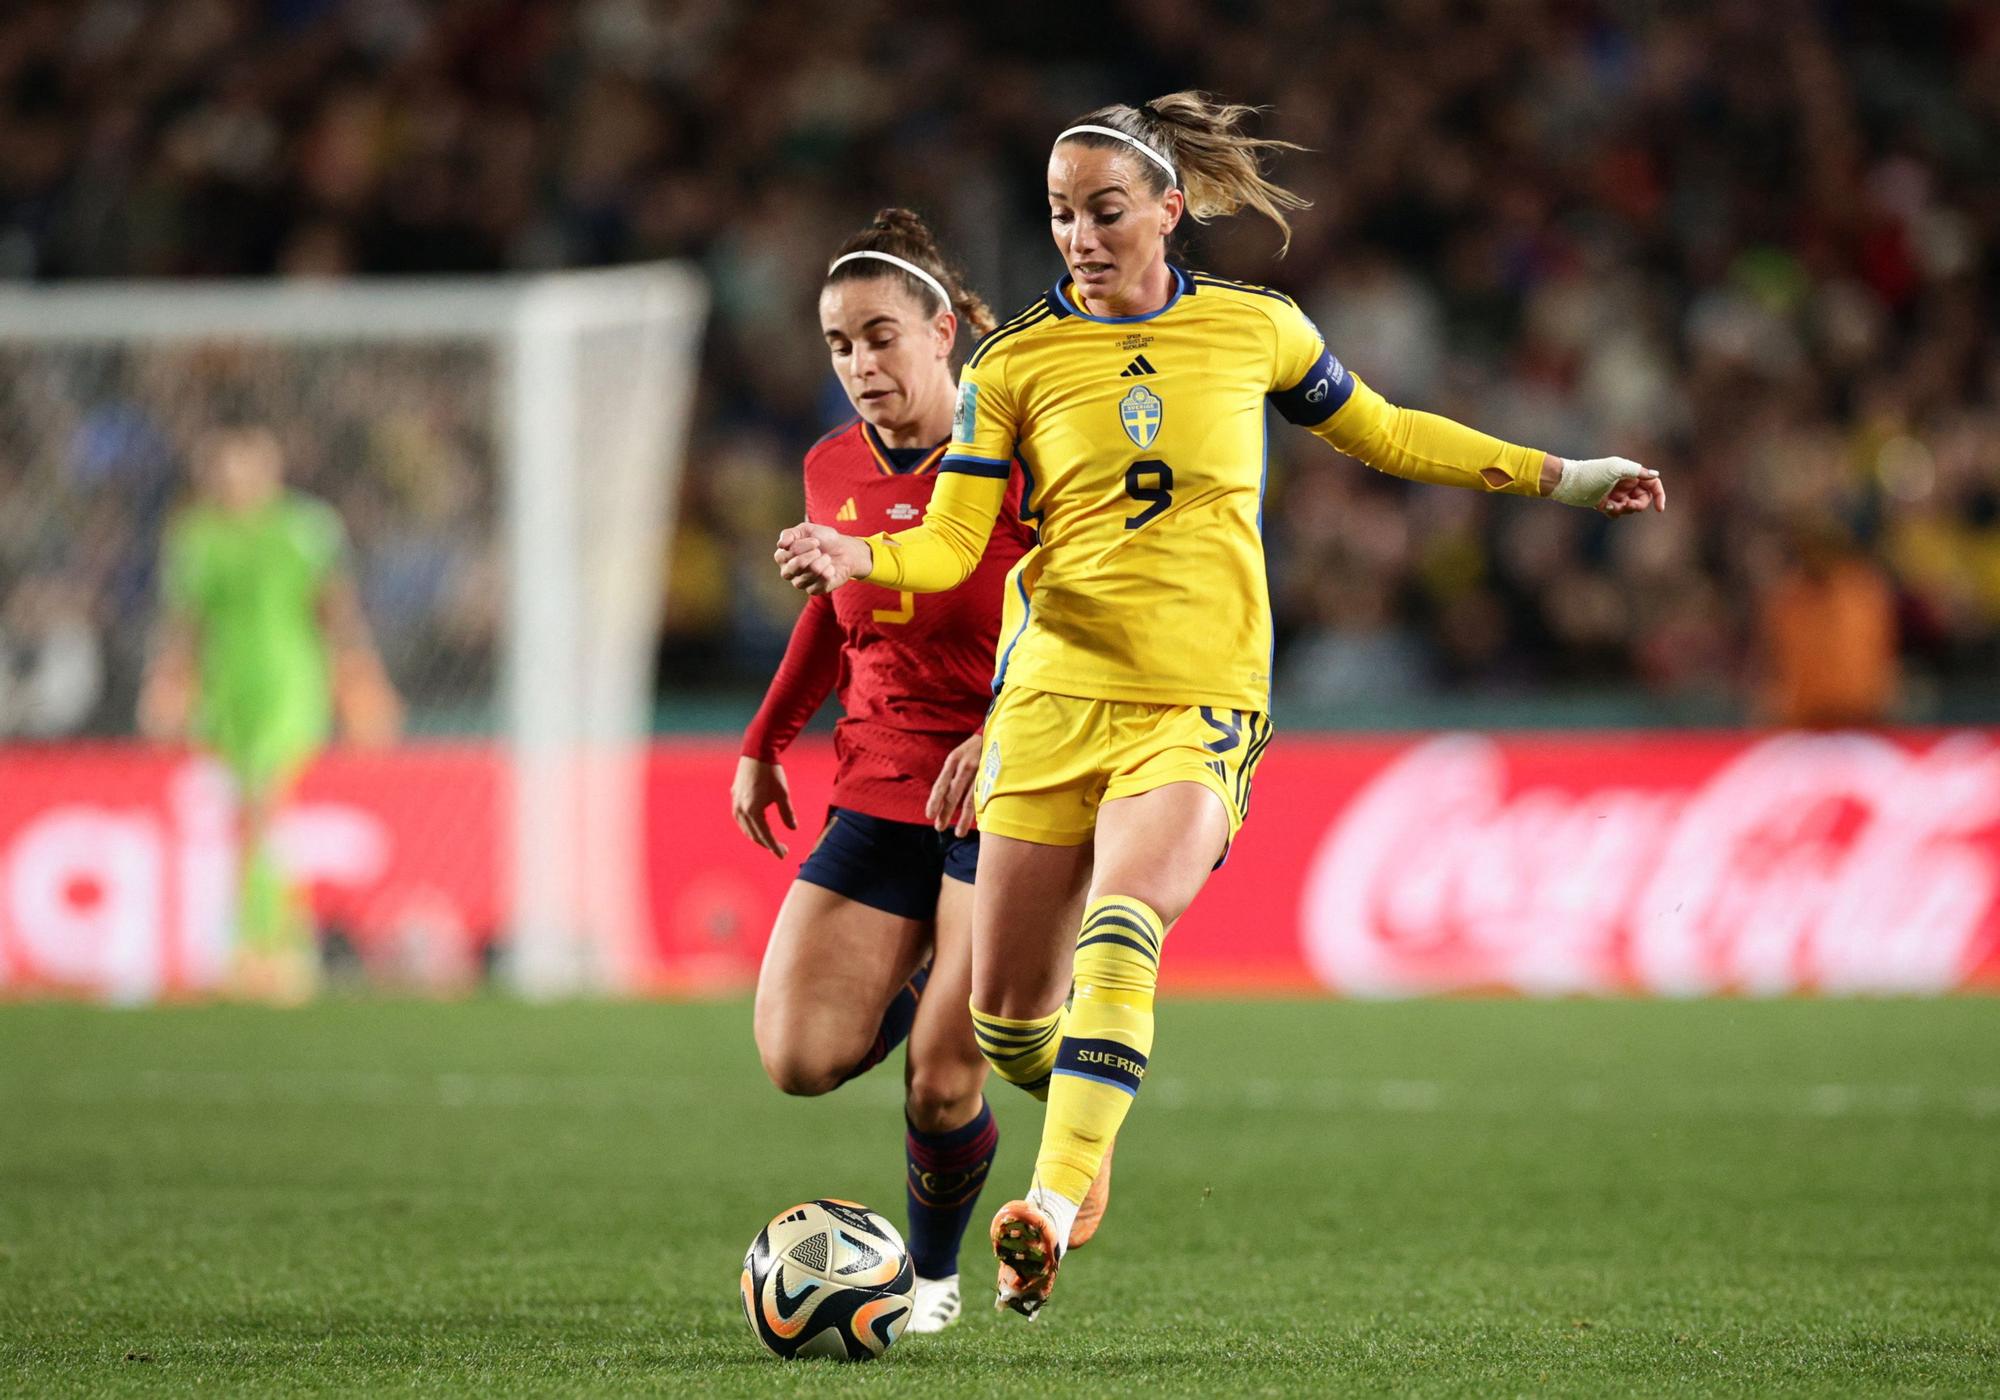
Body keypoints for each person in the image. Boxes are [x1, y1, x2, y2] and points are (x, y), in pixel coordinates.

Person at [775, 94, 1666, 1317]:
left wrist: (1560, 477)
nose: (1078, 236)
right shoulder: (1015, 363)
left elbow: (1388, 433)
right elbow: (949, 543)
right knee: (1006, 1028)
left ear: (1166, 208)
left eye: (1101, 211)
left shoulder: (1255, 329)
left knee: (1125, 920)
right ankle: (1080, 1129)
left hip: (1195, 698)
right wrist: (858, 560)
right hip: (1047, 704)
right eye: (1057, 216)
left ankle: (1043, 1200)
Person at [731, 210, 1043, 1333]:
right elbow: (830, 616)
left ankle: (933, 1276)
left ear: (941, 331)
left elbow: (1078, 613)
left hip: (1011, 787)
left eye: (878, 336)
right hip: (876, 782)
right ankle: (932, 981)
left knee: (942, 1078)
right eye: (836, 344)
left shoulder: (1023, 453)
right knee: (797, 1056)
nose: (859, 364)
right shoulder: (827, 465)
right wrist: (766, 739)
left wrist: (1000, 725)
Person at [139, 420, 401, 1002]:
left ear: (271, 467)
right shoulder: (196, 537)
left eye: (246, 464)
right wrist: (169, 682)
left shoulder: (305, 529)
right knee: (251, 818)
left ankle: (269, 952)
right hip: (225, 691)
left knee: (262, 801)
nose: (235, 478)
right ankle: (274, 944)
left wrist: (359, 682)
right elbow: (184, 622)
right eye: (224, 466)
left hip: (289, 684)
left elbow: (337, 611)